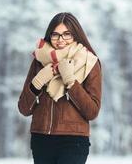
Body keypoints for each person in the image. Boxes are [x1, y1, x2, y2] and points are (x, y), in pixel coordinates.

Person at [18, 12, 102, 164]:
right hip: (41, 139)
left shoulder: (89, 62)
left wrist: (70, 81)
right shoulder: (39, 62)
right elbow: (24, 108)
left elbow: (92, 111)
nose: (60, 40)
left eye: (66, 34)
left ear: (76, 35)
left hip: (73, 141)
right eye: (55, 35)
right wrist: (37, 82)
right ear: (49, 36)